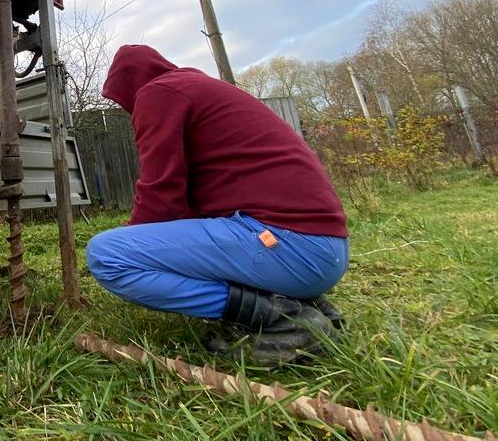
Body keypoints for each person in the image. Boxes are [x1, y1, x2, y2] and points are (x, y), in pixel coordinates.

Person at [86, 45, 348, 365]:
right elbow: (189, 207)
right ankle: (309, 305)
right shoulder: (202, 90)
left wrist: (135, 244)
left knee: (108, 255)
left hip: (290, 245)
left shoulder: (157, 94)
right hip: (323, 251)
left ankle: (286, 320)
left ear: (128, 84)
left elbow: (160, 191)